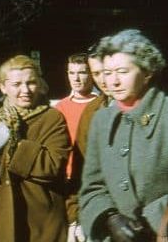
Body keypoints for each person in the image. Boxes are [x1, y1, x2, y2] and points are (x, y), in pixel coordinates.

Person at [80, 29, 168, 241]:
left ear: (147, 72)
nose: (113, 81)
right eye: (107, 73)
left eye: (122, 72)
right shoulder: (101, 121)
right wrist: (109, 218)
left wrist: (150, 221)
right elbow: (92, 187)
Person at [0, 55, 71, 241]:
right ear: (3, 87)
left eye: (31, 82)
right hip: (2, 224)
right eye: (16, 84)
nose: (25, 90)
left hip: (43, 225)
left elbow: (53, 165)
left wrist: (16, 144)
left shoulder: (52, 118)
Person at [55, 53, 101, 242]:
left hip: (92, 183)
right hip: (65, 185)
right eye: (71, 72)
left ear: (91, 74)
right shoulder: (59, 108)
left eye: (82, 72)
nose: (76, 78)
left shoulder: (102, 105)